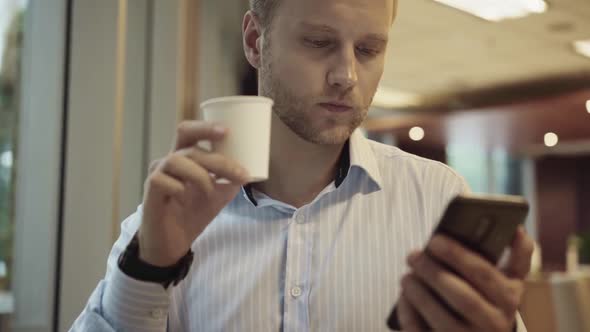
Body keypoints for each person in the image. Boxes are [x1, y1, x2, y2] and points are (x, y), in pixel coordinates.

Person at [72, 0, 533, 330]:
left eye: (369, 50)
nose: (346, 75)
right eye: (318, 42)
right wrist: (149, 270)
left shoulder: (436, 199)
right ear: (256, 41)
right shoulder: (165, 222)